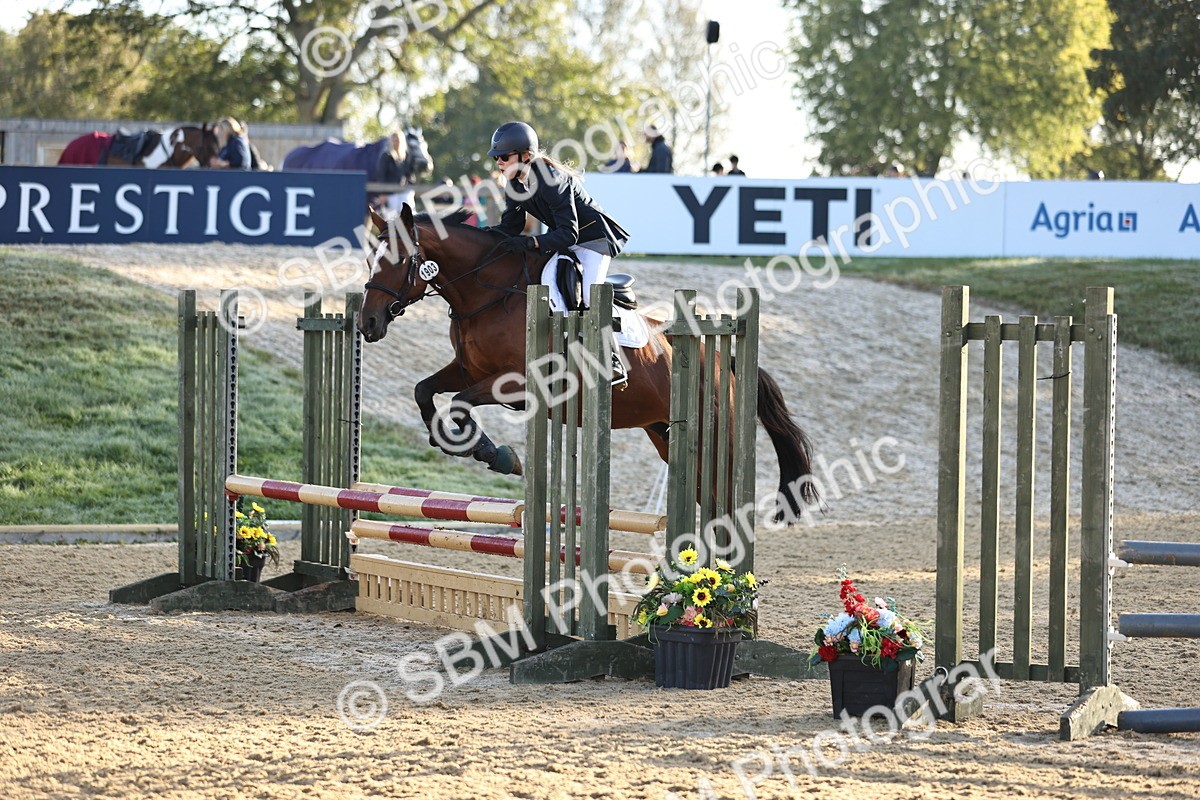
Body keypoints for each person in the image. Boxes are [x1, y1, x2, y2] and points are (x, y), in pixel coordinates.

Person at [485, 121, 631, 380]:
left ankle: (613, 358)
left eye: (504, 157)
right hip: (564, 238)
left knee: (589, 293)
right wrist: (482, 238)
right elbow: (511, 225)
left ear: (525, 156)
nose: (499, 162)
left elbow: (569, 233)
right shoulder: (514, 184)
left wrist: (531, 243)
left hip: (594, 239)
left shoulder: (551, 179)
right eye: (497, 157)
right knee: (544, 278)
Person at [376, 131, 415, 212]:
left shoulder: (406, 156)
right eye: (393, 140)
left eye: (397, 140)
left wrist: (410, 187)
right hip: (391, 193)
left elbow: (410, 175)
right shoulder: (386, 156)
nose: (395, 143)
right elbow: (381, 175)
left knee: (408, 216)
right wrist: (382, 193)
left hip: (404, 192)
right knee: (392, 218)